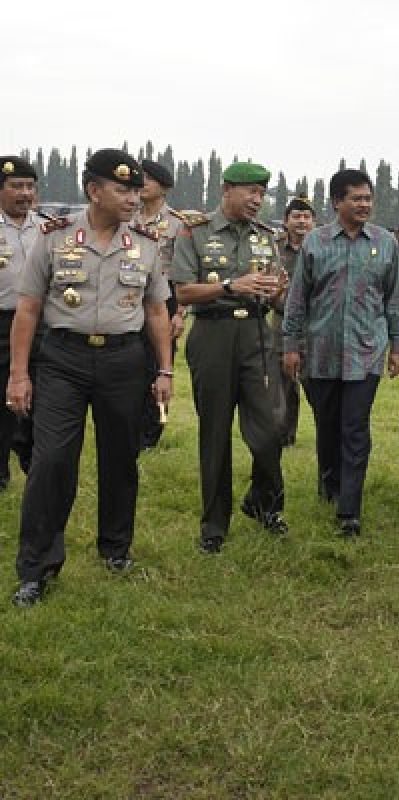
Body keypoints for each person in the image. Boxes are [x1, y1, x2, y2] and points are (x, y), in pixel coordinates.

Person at [7, 149, 172, 607]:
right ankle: (37, 568)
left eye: (137, 190)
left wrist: (164, 369)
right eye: (123, 190)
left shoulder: (145, 243)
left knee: (121, 457)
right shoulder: (54, 237)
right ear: (94, 190)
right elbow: (29, 308)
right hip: (63, 360)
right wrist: (19, 375)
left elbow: (157, 309)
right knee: (52, 461)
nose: (133, 198)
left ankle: (115, 548)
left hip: (124, 361)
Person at [172, 161, 289, 554]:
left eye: (262, 193)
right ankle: (214, 526)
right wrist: (228, 285)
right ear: (227, 190)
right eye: (250, 192)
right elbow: (183, 292)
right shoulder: (196, 232)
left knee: (272, 427)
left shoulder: (265, 236)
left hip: (257, 334)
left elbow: (275, 296)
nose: (258, 200)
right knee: (215, 432)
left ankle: (264, 501)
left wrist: (276, 292)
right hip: (213, 334)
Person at [282, 169, 399, 537]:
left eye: (368, 198)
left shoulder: (385, 244)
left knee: (355, 428)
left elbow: (395, 299)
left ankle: (349, 510)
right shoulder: (315, 243)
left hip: (365, 353)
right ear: (337, 202)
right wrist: (291, 345)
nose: (364, 204)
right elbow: (298, 299)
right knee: (328, 425)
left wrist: (398, 344)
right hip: (320, 352)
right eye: (357, 198)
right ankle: (330, 484)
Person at [0, 155, 57, 486]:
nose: (25, 193)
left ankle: (32, 459)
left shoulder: (47, 228)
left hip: (40, 325)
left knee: (37, 393)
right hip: (1, 321)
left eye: (29, 186)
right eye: (16, 186)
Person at [132, 159, 186, 450]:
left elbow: (185, 272)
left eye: (148, 180)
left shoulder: (177, 224)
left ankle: (150, 435)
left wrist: (180, 312)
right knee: (131, 366)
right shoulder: (128, 217)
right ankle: (129, 427)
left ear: (163, 187)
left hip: (165, 300)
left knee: (159, 366)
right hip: (130, 298)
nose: (142, 185)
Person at [273, 195, 316, 446]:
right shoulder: (275, 247)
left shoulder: (323, 246)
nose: (302, 222)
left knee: (316, 384)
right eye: (296, 217)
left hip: (314, 327)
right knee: (284, 386)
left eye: (307, 217)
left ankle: (327, 431)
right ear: (286, 221)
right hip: (281, 323)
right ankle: (285, 437)